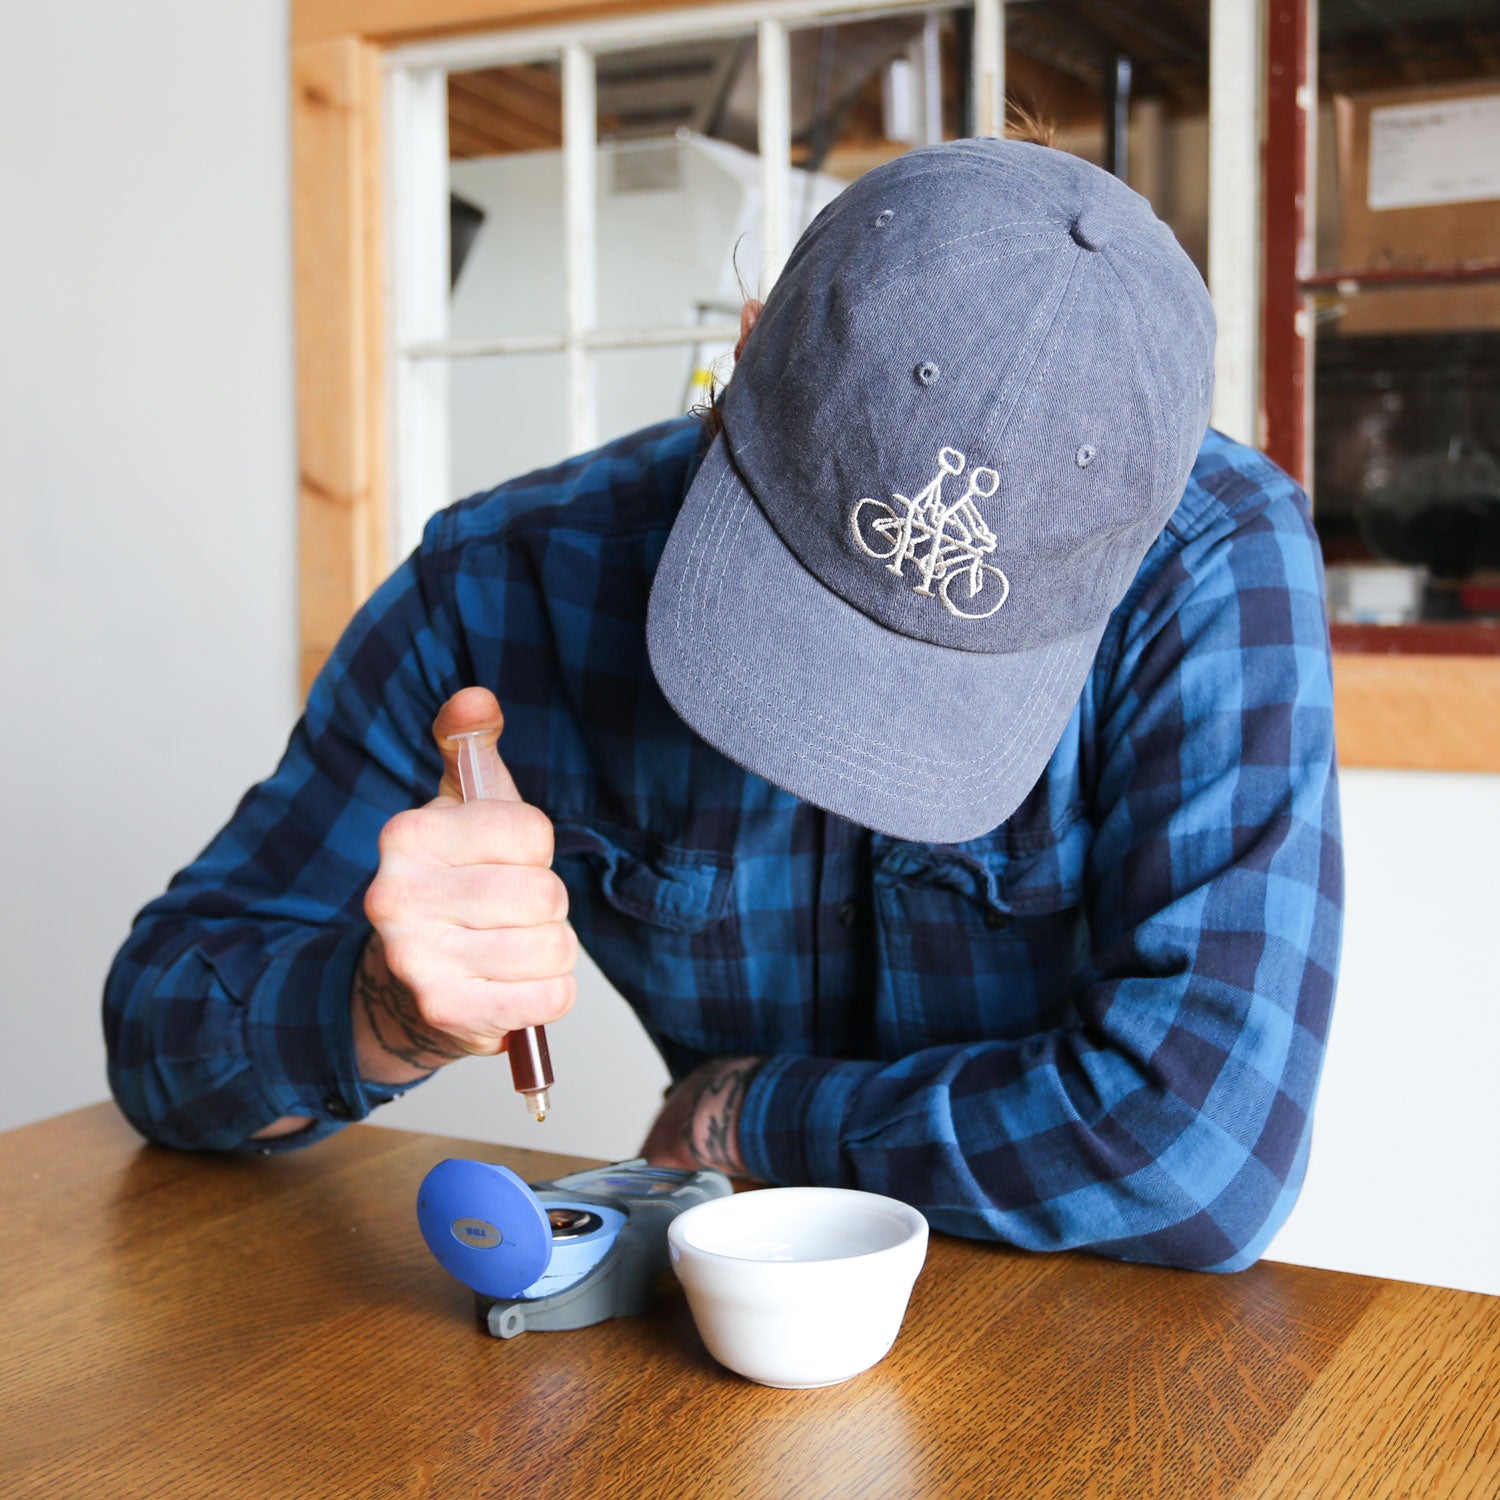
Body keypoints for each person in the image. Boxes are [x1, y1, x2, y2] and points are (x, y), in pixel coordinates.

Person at [105, 137, 1342, 1273]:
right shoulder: (506, 585)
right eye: (803, 600)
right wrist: (382, 1008)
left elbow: (1200, 1154)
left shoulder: (1212, 553)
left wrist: (745, 1111)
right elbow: (160, 1037)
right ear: (743, 350)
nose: (841, 742)